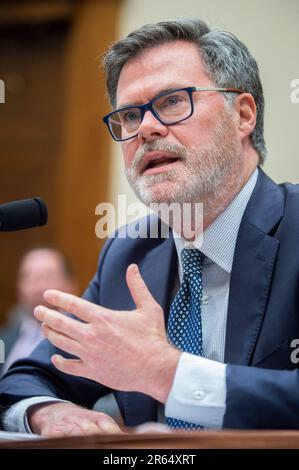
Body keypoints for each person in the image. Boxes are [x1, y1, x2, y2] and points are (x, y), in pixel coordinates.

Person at [1, 17, 299, 436]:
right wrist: (46, 412)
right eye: (128, 116)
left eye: (173, 101)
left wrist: (168, 374)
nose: (145, 129)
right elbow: (26, 378)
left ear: (243, 115)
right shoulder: (129, 252)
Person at [0, 247, 77, 376]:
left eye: (48, 276)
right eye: (29, 277)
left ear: (70, 285)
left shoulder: (88, 341)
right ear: (18, 287)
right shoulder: (3, 339)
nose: (38, 287)